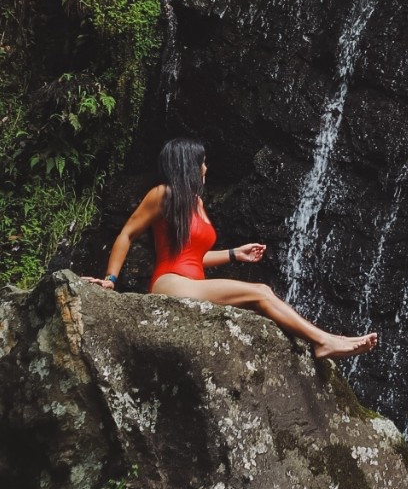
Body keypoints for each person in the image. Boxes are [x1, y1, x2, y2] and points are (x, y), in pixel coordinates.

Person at [88, 137, 377, 362]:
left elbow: (194, 255)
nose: (205, 168)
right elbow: (127, 233)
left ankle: (325, 340)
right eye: (201, 161)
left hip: (193, 283)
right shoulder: (164, 194)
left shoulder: (197, 204)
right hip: (171, 282)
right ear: (187, 163)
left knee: (258, 298)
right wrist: (110, 280)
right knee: (261, 292)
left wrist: (233, 254)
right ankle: (324, 341)